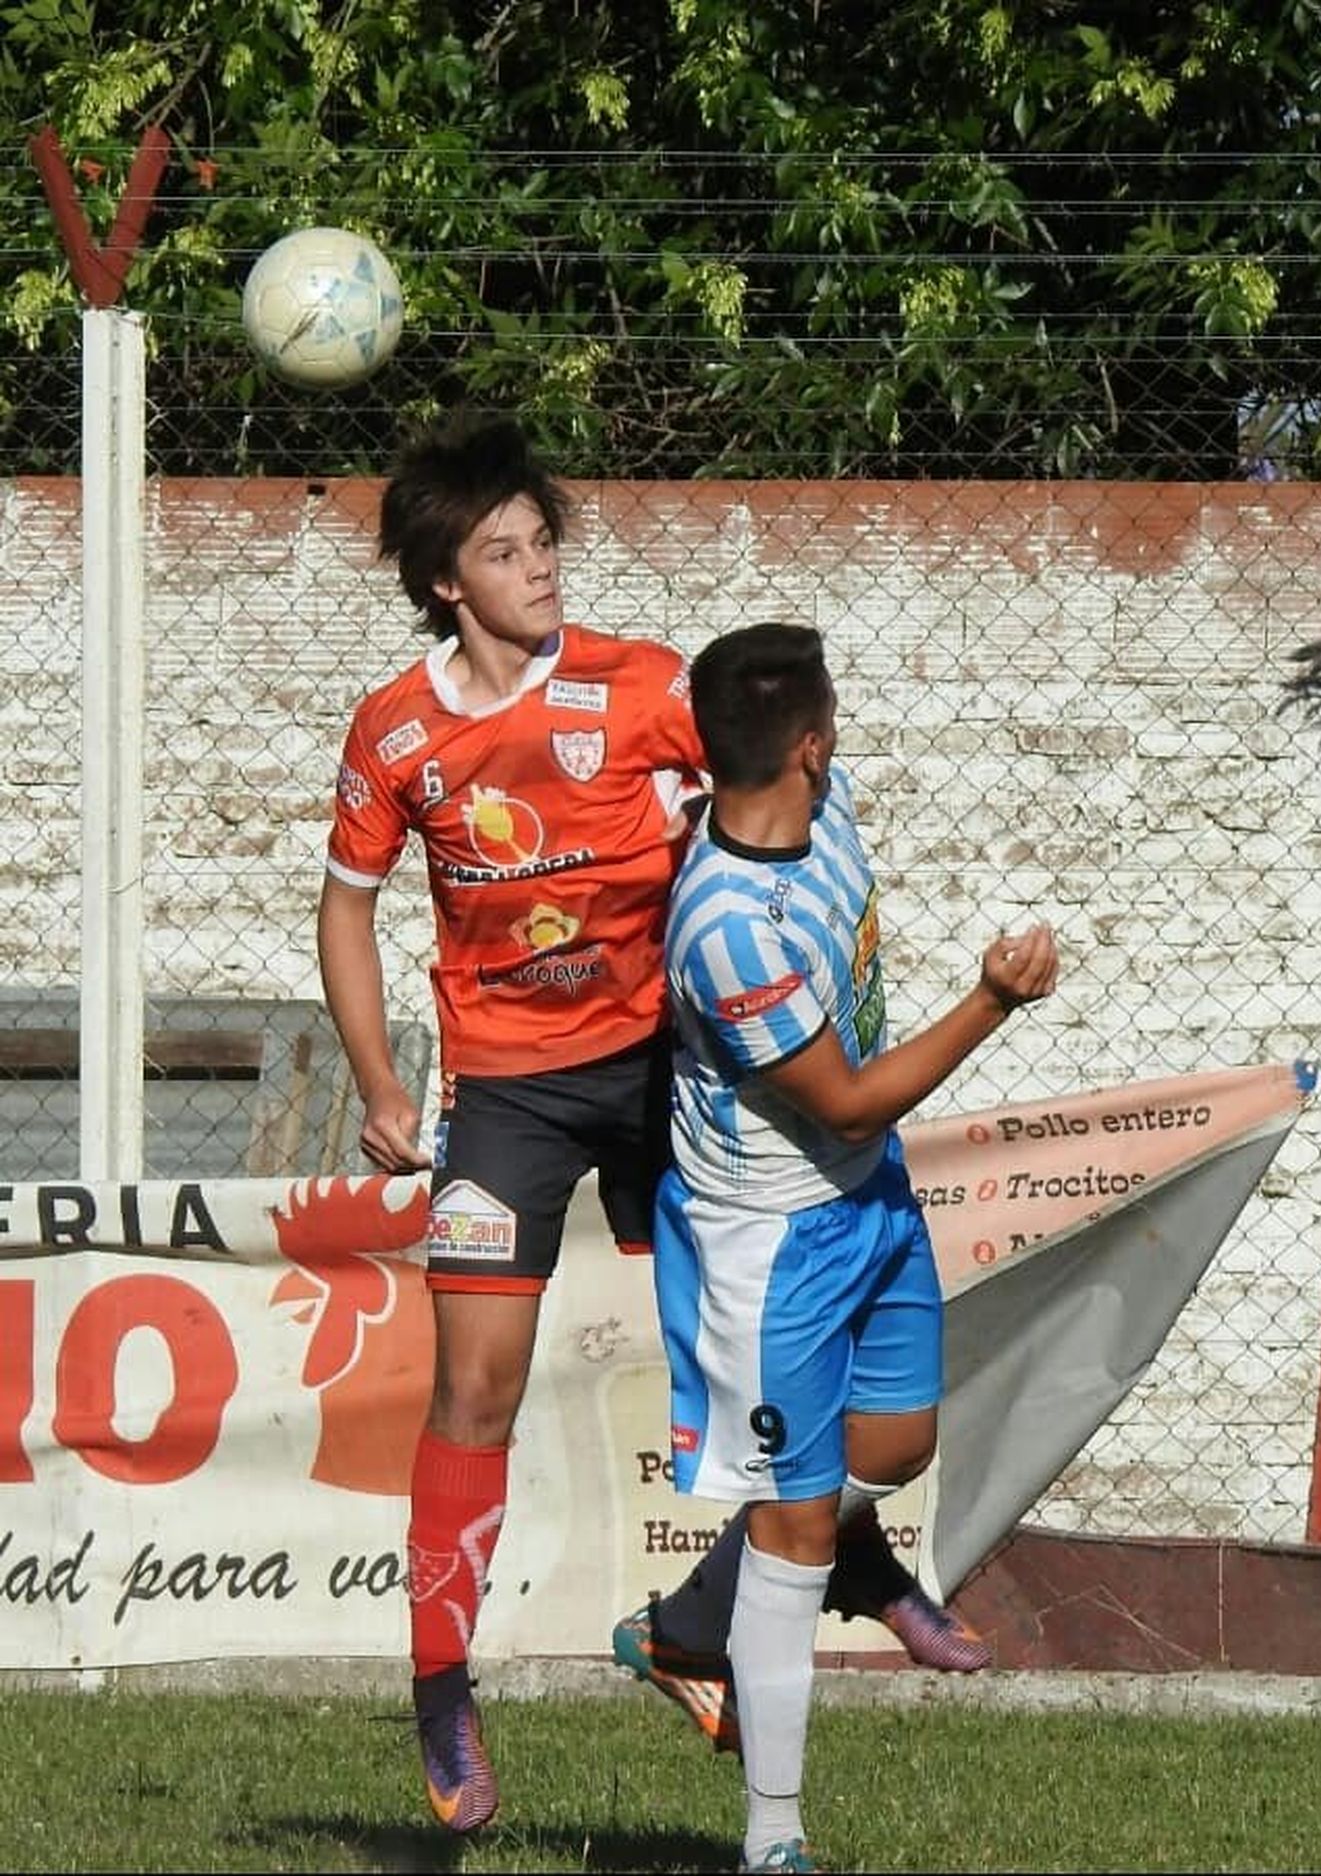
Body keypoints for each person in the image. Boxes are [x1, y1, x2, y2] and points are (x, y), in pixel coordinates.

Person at [317, 412, 968, 1835]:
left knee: (789, 1368)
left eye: (546, 539)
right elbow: (349, 904)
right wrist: (381, 1082)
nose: (540, 567)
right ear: (445, 580)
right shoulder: (398, 733)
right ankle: (442, 1693)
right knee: (470, 1388)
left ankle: (734, 1598)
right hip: (510, 1095)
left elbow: (755, 781)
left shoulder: (636, 684)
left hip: (666, 1075)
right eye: (505, 550)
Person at [636, 622, 1059, 1874]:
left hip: (866, 1203)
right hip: (774, 1246)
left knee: (899, 1441)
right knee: (799, 1534)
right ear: (810, 744)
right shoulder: (726, 929)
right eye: (834, 725)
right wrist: (992, 1000)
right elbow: (852, 1099)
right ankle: (774, 1840)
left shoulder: (823, 800)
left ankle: (688, 1624)